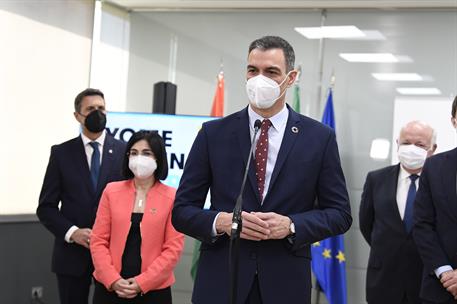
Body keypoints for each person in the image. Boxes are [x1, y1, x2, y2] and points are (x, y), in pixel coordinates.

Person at [172, 35, 352, 304]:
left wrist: (291, 225)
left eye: (271, 72)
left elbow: (339, 214)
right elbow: (182, 210)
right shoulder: (213, 134)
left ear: (290, 78)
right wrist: (220, 222)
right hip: (222, 281)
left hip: (285, 283)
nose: (259, 79)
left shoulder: (319, 137)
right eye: (253, 70)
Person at [36, 88, 126, 304]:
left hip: (113, 255)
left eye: (101, 108)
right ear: (78, 116)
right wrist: (73, 232)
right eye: (90, 109)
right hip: (71, 257)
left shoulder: (124, 151)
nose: (97, 113)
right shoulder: (61, 153)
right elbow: (46, 207)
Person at [90, 130, 184, 304]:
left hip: (154, 291)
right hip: (111, 288)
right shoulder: (111, 191)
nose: (139, 158)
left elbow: (173, 249)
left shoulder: (172, 197)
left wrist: (143, 282)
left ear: (158, 158)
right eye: (134, 153)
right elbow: (98, 241)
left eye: (146, 153)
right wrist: (113, 279)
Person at [359, 121, 437, 304]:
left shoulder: (441, 184)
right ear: (397, 144)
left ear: (432, 149)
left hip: (426, 281)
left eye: (419, 145)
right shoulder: (376, 179)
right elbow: (366, 224)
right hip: (384, 279)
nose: (411, 149)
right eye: (406, 142)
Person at [413, 96, 457, 304]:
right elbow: (422, 224)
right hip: (441, 288)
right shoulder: (434, 166)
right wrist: (445, 272)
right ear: (453, 121)